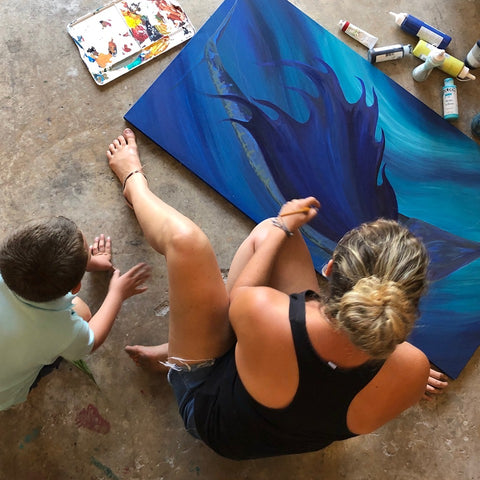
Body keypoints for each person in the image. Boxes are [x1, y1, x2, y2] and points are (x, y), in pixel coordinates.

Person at [107, 128, 448, 460]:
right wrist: (408, 372)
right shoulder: (413, 371)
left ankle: (133, 183)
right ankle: (180, 348)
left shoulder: (266, 314)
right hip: (283, 432)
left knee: (193, 243)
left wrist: (282, 225)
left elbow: (242, 298)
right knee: (266, 300)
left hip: (209, 416)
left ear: (329, 269)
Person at [0, 217, 151, 411]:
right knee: (83, 312)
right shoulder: (61, 331)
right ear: (76, 288)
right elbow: (92, 341)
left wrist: (88, 262)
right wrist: (117, 294)